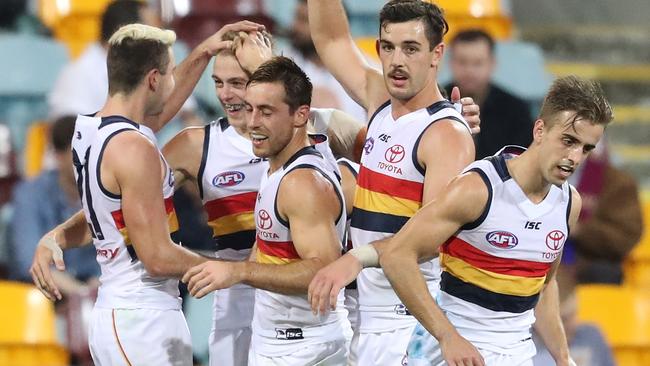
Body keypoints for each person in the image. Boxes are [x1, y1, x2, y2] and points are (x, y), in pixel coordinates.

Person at [309, 75, 614, 366]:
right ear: (539, 130)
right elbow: (398, 255)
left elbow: (544, 286)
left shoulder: (567, 204)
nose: (574, 157)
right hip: (454, 352)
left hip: (517, 354)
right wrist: (447, 336)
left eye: (586, 148)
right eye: (568, 140)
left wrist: (562, 356)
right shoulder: (479, 188)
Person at [28, 23, 261, 365]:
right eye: (169, 73)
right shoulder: (134, 148)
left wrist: (203, 51)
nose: (173, 82)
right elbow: (158, 257)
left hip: (124, 313)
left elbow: (104, 215)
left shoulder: (91, 131)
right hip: (143, 319)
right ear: (153, 79)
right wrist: (237, 271)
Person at [308, 0, 475, 362]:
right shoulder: (381, 99)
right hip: (365, 312)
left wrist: (357, 258)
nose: (396, 60)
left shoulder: (446, 135)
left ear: (436, 54)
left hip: (407, 319)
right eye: (388, 47)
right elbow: (331, 38)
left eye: (411, 48)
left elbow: (427, 241)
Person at [182, 56, 352, 365]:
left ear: (301, 115)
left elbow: (324, 270)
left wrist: (237, 270)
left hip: (307, 348)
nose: (252, 123)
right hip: (279, 340)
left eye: (266, 112)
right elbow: (272, 244)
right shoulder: (277, 168)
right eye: (250, 109)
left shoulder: (302, 183)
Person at [10, 115, 99, 293]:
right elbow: (28, 261)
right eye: (80, 153)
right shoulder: (30, 195)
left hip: (97, 293)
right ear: (58, 155)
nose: (88, 159)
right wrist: (80, 294)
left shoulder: (105, 192)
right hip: (43, 295)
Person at [445, 29, 533, 159]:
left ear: (492, 64)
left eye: (478, 63)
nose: (469, 71)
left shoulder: (516, 111)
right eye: (462, 62)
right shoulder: (436, 103)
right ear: (451, 63)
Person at [284, 0, 366, 122]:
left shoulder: (366, 70)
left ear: (332, 27)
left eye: (304, 20)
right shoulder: (282, 68)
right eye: (296, 18)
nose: (295, 27)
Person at [533, 292, 616, 366]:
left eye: (573, 314)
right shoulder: (526, 344)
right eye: (563, 319)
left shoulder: (592, 335)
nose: (573, 324)